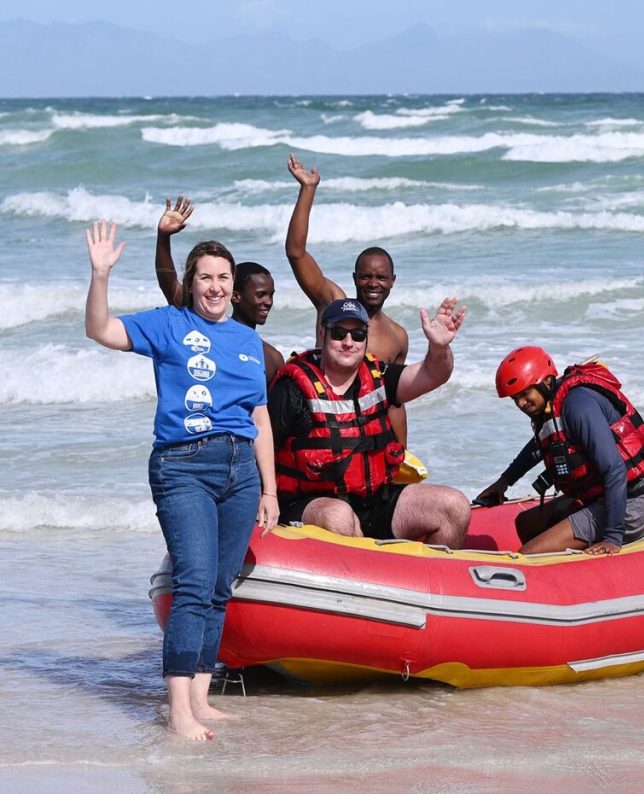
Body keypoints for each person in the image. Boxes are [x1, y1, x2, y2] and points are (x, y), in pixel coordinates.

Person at [85, 221, 279, 741]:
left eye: (223, 277)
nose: (215, 286)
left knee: (218, 588)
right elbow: (100, 331)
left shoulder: (246, 340)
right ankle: (177, 711)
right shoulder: (168, 325)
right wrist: (100, 275)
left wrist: (270, 489)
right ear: (191, 283)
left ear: (233, 285)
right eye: (205, 277)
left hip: (241, 471)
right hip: (183, 466)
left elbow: (259, 417)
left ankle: (200, 700)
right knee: (192, 583)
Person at [269, 297, 469, 548]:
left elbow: (433, 374)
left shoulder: (377, 376)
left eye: (358, 334)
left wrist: (439, 347)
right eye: (339, 333)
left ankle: (425, 583)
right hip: (309, 504)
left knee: (454, 506)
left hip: (372, 500)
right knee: (339, 517)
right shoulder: (292, 389)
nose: (348, 342)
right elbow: (259, 448)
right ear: (323, 333)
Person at [476, 347, 644, 556]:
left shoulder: (578, 406)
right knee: (525, 524)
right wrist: (504, 482)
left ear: (546, 382)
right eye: (514, 398)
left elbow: (615, 469)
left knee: (529, 554)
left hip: (636, 500)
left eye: (524, 394)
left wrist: (612, 537)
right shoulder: (552, 406)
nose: (521, 403)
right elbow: (539, 445)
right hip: (605, 496)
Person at [285, 154, 411, 446]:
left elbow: (396, 402)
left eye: (381, 278)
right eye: (366, 276)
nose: (373, 284)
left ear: (393, 281)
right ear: (355, 278)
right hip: (320, 432)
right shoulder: (333, 303)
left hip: (366, 441)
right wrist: (308, 189)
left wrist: (401, 455)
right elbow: (296, 253)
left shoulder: (397, 337)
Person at [155, 195, 285, 384]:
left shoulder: (272, 358)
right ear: (235, 295)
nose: (268, 302)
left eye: (271, 295)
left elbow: (273, 412)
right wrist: (163, 237)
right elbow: (170, 285)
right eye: (260, 295)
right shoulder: (203, 333)